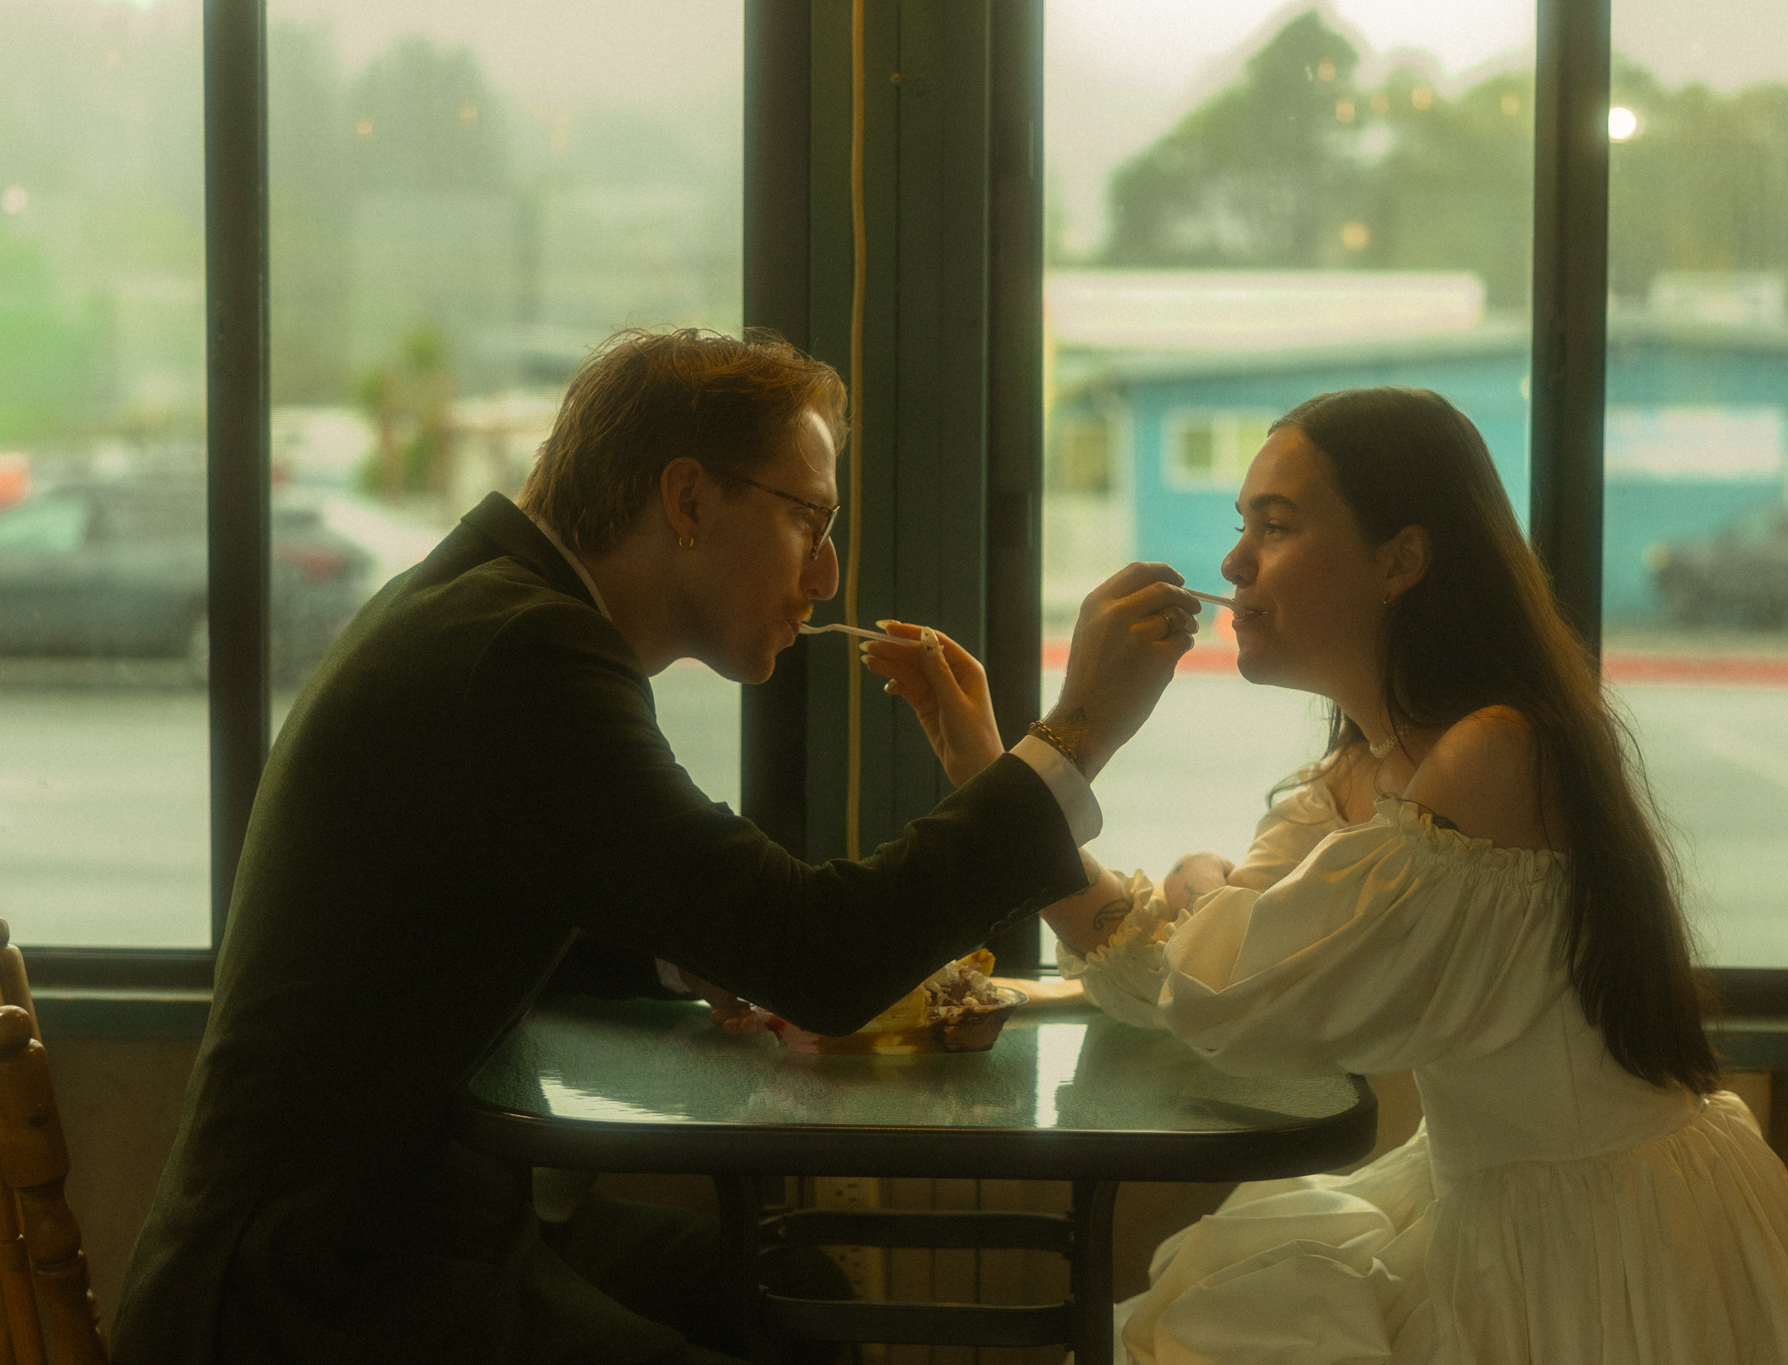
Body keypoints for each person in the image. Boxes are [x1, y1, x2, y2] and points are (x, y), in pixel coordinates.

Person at [112, 327, 1200, 1365]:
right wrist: (1074, 736)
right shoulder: (526, 654)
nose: (826, 578)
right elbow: (822, 958)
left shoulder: (484, 603)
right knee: (788, 1311)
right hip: (318, 1293)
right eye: (808, 521)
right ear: (685, 498)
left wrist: (683, 952)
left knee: (800, 1292)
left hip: (409, 1221)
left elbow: (484, 903)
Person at [862, 386, 1788, 1364]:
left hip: (1603, 1242)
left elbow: (1238, 997)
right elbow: (1182, 978)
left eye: (1274, 527)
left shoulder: (1494, 754)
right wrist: (990, 771)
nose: (1232, 563)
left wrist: (1174, 850)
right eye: (1241, 528)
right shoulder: (1353, 776)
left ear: (1399, 558)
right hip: (1490, 1208)